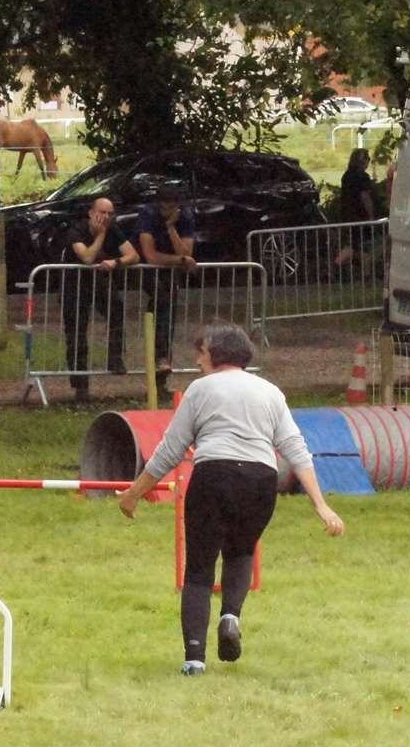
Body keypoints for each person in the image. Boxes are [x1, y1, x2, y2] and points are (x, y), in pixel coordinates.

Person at [118, 323, 345, 676]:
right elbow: (295, 448)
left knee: (198, 571)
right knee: (241, 549)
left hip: (214, 475)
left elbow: (170, 450)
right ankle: (230, 617)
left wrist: (134, 493)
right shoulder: (270, 392)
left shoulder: (200, 389)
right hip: (260, 481)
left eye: (201, 352)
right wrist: (321, 504)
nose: (197, 360)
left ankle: (195, 659)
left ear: (216, 355)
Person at [62, 197, 139, 400]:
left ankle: (114, 358)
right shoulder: (77, 230)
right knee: (77, 334)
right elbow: (87, 257)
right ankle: (80, 385)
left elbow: (134, 255)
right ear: (90, 213)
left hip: (99, 282)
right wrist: (101, 235)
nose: (105, 217)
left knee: (116, 309)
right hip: (74, 284)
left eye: (109, 213)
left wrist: (116, 262)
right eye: (101, 212)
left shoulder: (113, 228)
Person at [135, 181, 197, 393]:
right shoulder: (148, 214)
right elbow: (150, 256)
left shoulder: (186, 216)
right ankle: (159, 358)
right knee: (160, 301)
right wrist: (179, 261)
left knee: (167, 308)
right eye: (163, 207)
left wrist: (171, 228)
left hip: (170, 270)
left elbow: (187, 253)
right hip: (147, 268)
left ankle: (162, 370)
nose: (166, 211)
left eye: (171, 207)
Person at [335, 148, 378, 268]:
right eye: (367, 158)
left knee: (357, 246)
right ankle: (338, 265)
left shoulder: (347, 176)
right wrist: (371, 216)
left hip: (347, 216)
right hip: (360, 217)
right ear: (361, 161)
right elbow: (365, 197)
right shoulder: (362, 177)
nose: (368, 161)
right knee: (361, 247)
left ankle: (364, 274)